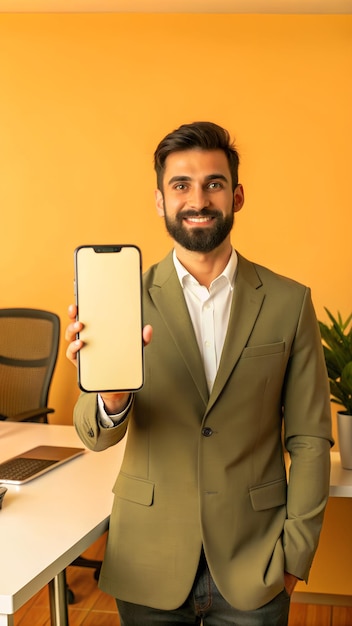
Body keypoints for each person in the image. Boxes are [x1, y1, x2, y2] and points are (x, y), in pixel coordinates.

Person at [65, 121, 333, 626]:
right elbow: (93, 435)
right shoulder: (122, 297)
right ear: (160, 200)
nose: (198, 199)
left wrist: (295, 555)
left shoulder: (289, 302)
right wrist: (112, 397)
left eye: (213, 183)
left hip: (255, 563)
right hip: (148, 560)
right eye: (180, 185)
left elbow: (311, 439)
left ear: (237, 195)